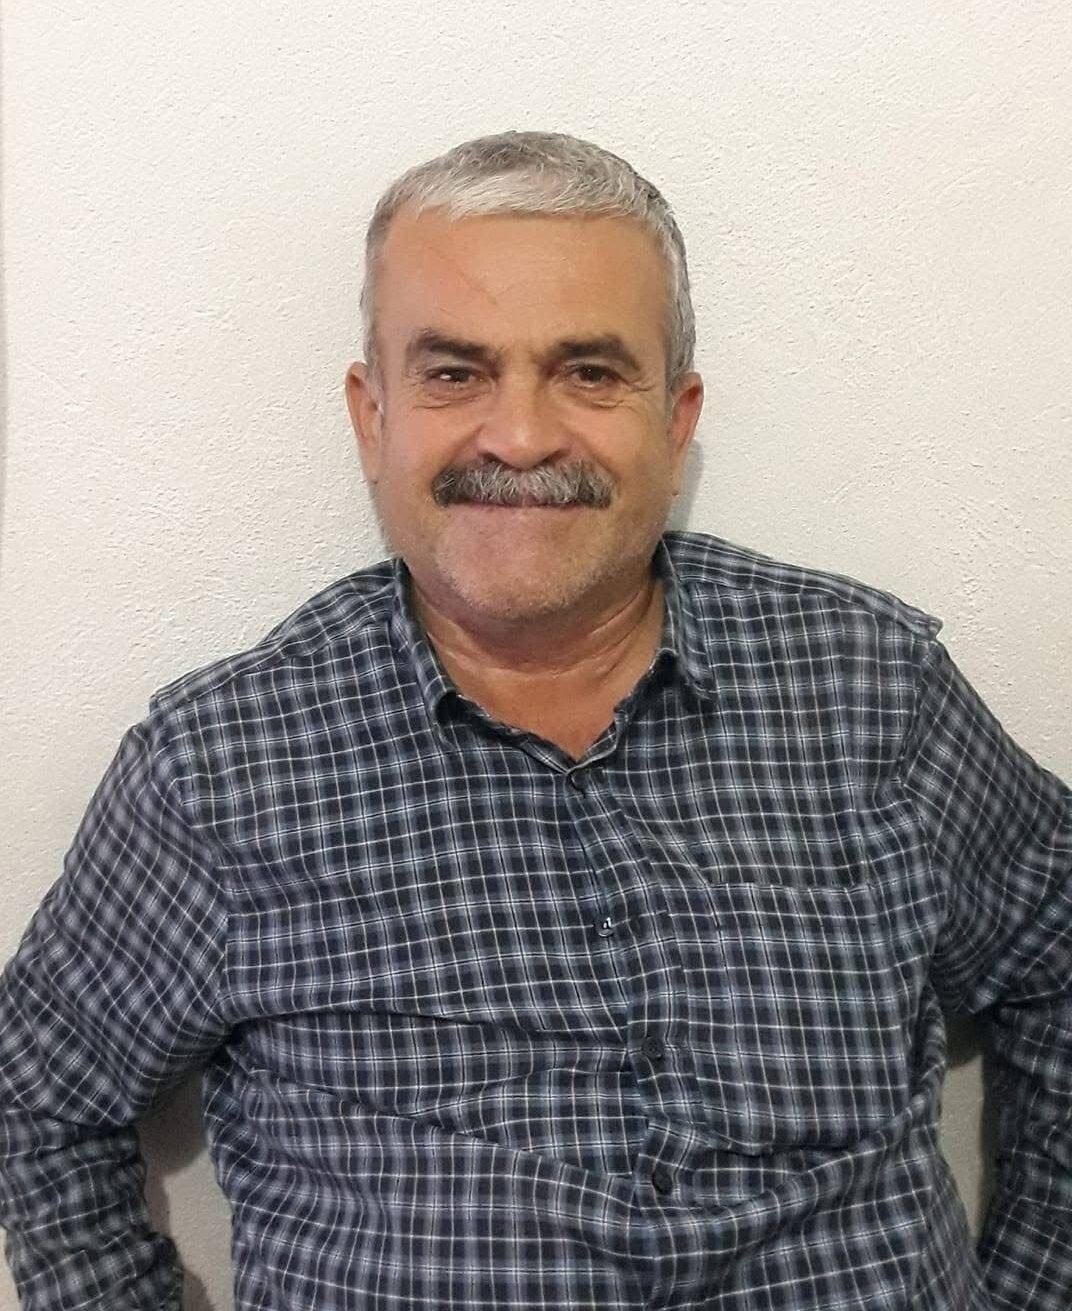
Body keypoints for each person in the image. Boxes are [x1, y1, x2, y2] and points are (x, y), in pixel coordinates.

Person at [0, 131, 1068, 1311]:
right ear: (371, 416)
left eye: (590, 372)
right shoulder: (220, 771)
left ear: (674, 418)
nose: (520, 437)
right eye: (455, 373)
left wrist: (1032, 1287)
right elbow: (40, 1095)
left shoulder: (869, 689)